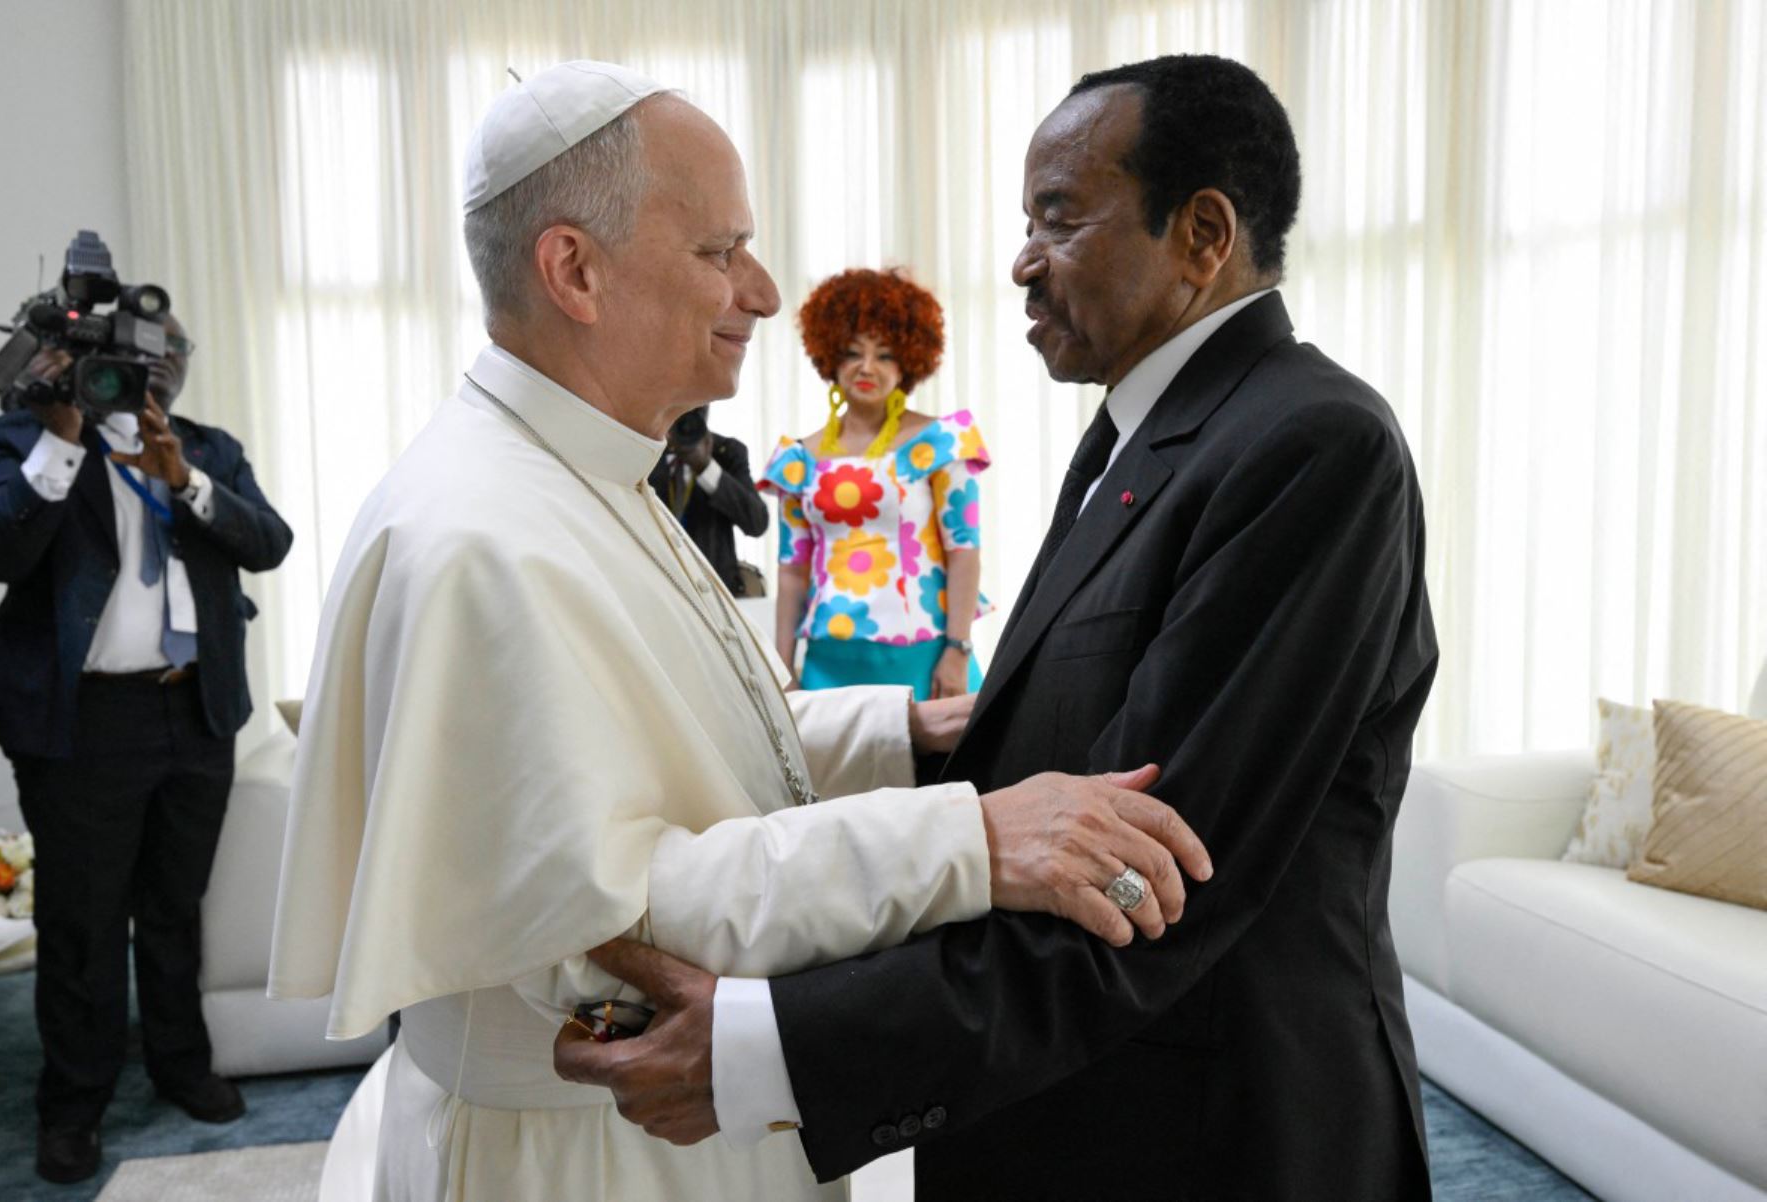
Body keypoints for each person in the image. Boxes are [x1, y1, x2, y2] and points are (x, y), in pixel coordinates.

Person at [265, 61, 1212, 1202]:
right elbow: (616, 911)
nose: (761, 293)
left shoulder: (584, 470)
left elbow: (680, 741)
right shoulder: (482, 534)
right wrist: (974, 840)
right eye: (720, 251)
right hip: (583, 1157)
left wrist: (900, 730)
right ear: (574, 269)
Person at [555, 54, 1441, 1202]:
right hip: (1067, 1096)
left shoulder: (1314, 445)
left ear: (1203, 233)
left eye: (1059, 219)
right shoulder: (1138, 433)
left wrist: (773, 1046)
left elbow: (1150, 875)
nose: (1022, 261)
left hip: (1216, 1126)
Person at [0, 313, 293, 1184]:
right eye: (125, 364)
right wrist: (63, 437)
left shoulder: (208, 448)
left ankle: (180, 1064)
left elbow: (271, 542)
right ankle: (74, 1103)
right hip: (83, 725)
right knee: (81, 922)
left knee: (176, 905)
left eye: (164, 360)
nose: (151, 376)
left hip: (196, 712)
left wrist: (182, 480)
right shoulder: (29, 438)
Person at [761, 269, 989, 699]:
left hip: (926, 656)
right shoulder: (797, 461)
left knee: (948, 769)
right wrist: (782, 667)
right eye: (852, 353)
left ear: (909, 361)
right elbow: (792, 572)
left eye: (884, 354)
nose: (867, 368)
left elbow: (964, 552)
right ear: (830, 356)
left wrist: (958, 650)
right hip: (828, 661)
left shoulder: (942, 443)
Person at [647, 403, 769, 596]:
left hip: (716, 590)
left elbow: (757, 523)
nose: (689, 417)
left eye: (698, 407)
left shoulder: (726, 452)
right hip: (661, 586)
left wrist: (706, 467)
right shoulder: (648, 452)